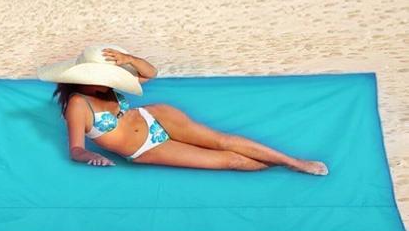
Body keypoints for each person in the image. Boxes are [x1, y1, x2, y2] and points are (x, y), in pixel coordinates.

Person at [38, 45, 329, 174]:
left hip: (156, 116)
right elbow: (75, 149)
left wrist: (129, 58)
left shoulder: (108, 86)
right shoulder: (78, 105)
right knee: (228, 161)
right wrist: (91, 157)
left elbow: (150, 73)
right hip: (145, 149)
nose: (108, 81)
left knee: (223, 140)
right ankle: (280, 163)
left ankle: (294, 162)